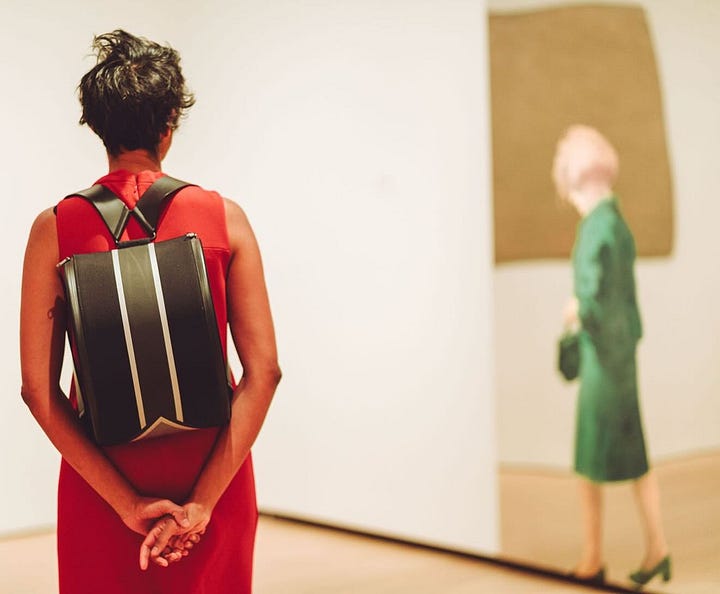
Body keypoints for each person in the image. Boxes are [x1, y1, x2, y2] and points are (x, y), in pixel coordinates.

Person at [19, 30, 281, 593]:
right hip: (212, 470)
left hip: (103, 481)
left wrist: (128, 503)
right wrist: (202, 504)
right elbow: (265, 372)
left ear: (97, 126)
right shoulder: (224, 218)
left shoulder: (54, 231)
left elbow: (38, 392)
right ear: (170, 122)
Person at [553, 125, 670, 588]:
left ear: (574, 181)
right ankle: (657, 548)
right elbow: (625, 298)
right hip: (624, 355)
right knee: (635, 458)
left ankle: (592, 558)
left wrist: (574, 311)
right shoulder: (618, 223)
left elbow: (591, 298)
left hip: (603, 361)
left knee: (588, 462)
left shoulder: (593, 229)